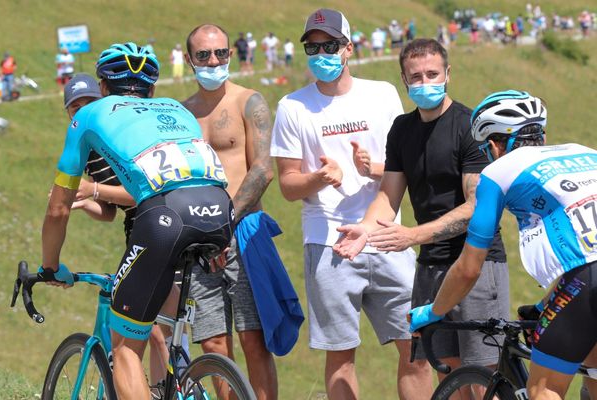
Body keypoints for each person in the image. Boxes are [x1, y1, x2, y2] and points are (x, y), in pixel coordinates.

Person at [41, 42, 233, 400]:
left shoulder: (89, 115)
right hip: (221, 210)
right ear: (153, 89)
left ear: (102, 88)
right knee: (163, 325)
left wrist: (50, 266)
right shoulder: (178, 109)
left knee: (127, 348)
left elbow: (57, 209)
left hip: (164, 217)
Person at [270, 9, 431, 400]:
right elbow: (289, 187)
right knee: (341, 357)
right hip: (329, 243)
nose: (320, 54)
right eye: (312, 47)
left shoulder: (381, 94)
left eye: (329, 45)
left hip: (387, 236)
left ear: (348, 48)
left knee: (417, 349)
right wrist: (320, 177)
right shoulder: (292, 107)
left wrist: (371, 167)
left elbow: (406, 165)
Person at [333, 38, 509, 381]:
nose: (425, 83)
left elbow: (476, 207)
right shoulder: (401, 129)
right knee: (448, 374)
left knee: (485, 374)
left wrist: (413, 235)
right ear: (404, 80)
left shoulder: (468, 125)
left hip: (477, 261)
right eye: (416, 77)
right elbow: (388, 196)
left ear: (448, 74)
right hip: (431, 265)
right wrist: (365, 230)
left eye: (433, 74)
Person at [409, 89, 597, 400]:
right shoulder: (585, 152)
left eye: (486, 148)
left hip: (586, 280)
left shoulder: (496, 173)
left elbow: (469, 268)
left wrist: (433, 311)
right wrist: (542, 307)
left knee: (545, 389)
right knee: (592, 375)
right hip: (583, 279)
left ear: (497, 144)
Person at [183, 23, 301, 400]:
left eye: (220, 53)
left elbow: (263, 169)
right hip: (199, 242)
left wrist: (224, 224)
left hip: (242, 233)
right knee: (214, 343)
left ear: (230, 54)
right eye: (203, 55)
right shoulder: (182, 114)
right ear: (189, 60)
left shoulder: (248, 101)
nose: (213, 61)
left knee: (254, 338)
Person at [62, 73, 188, 394]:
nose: (81, 111)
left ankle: (165, 388)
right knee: (152, 327)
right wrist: (86, 200)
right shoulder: (90, 151)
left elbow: (140, 192)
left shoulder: (121, 136)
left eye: (88, 103)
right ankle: (164, 388)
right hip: (142, 234)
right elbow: (106, 210)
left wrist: (93, 189)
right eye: (73, 106)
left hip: (157, 229)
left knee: (148, 329)